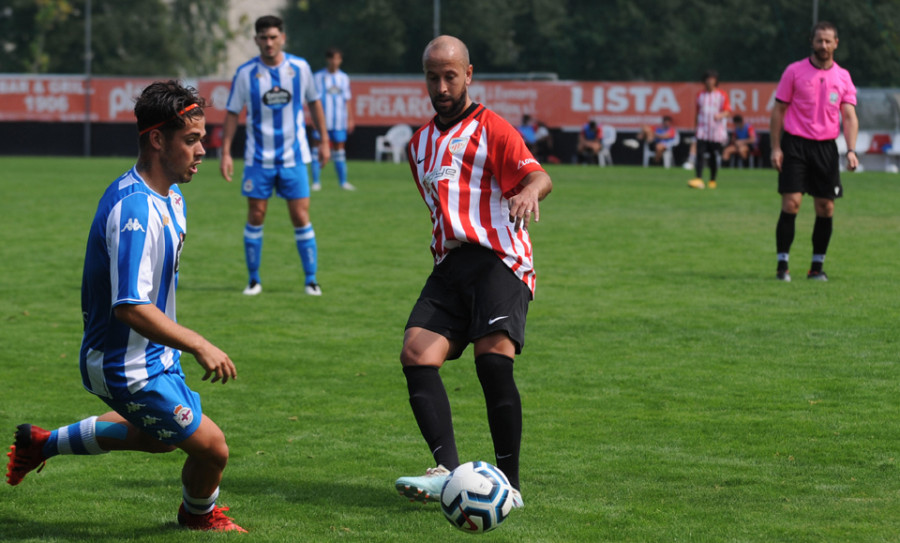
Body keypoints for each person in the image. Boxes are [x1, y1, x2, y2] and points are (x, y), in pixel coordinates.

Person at [4, 81, 245, 532]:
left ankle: (41, 443)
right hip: (124, 364)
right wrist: (199, 344)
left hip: (151, 354)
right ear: (157, 139)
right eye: (191, 140)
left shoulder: (171, 197)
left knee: (159, 441)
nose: (202, 151)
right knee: (212, 447)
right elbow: (130, 307)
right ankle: (198, 518)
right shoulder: (135, 211)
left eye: (202, 139)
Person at [393, 35, 553, 509]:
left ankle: (510, 485)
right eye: (432, 77)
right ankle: (445, 471)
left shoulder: (493, 128)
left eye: (450, 76)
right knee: (415, 354)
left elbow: (538, 175)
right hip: (451, 265)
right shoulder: (418, 144)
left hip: (499, 259)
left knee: (493, 362)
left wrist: (528, 193)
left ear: (468, 74)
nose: (441, 86)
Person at [219, 15, 329, 297]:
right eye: (263, 38)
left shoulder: (300, 68)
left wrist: (324, 141)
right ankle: (253, 280)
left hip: (294, 158)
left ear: (283, 38)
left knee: (300, 215)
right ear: (256, 40)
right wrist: (226, 153)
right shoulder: (245, 73)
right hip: (258, 160)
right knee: (256, 215)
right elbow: (232, 112)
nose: (268, 43)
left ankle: (311, 280)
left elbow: (315, 104)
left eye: (273, 37)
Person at [770, 21, 858, 282]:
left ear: (836, 43)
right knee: (791, 203)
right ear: (812, 42)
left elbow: (850, 117)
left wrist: (851, 150)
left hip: (826, 148)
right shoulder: (794, 71)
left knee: (826, 208)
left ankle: (816, 268)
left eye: (828, 41)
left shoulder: (843, 76)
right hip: (795, 144)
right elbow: (778, 111)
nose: (823, 45)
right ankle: (782, 265)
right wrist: (775, 147)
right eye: (819, 40)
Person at [311, 47, 355, 191]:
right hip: (321, 121)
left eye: (338, 59)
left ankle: (343, 182)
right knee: (317, 150)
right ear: (328, 59)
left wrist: (350, 119)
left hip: (338, 121)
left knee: (339, 151)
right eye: (332, 58)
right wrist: (312, 118)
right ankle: (316, 182)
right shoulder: (318, 77)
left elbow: (347, 100)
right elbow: (312, 100)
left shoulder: (343, 78)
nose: (335, 62)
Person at [688, 69, 731, 189]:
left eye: (712, 79)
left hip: (715, 131)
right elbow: (698, 113)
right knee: (699, 154)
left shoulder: (721, 95)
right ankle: (698, 178)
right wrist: (695, 127)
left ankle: (712, 180)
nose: (709, 81)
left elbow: (727, 111)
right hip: (702, 130)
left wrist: (720, 115)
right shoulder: (700, 95)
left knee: (713, 155)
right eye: (707, 79)